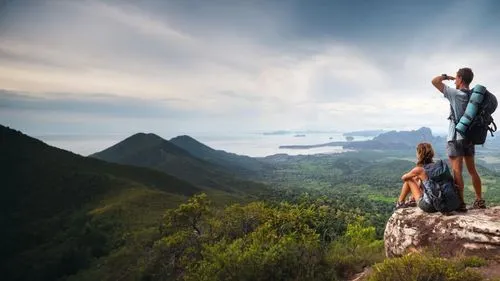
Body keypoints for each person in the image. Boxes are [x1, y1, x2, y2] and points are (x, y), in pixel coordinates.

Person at [431, 68, 485, 210]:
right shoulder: (473, 97)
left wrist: (446, 77)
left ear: (460, 79)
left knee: (457, 171)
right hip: (469, 137)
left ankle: (461, 203)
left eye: (456, 78)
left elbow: (434, 81)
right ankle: (479, 200)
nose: (454, 80)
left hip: (455, 138)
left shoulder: (455, 94)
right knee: (472, 170)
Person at [396, 143, 440, 212]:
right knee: (418, 179)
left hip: (429, 206)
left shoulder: (419, 169)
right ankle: (412, 200)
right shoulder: (436, 166)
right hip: (440, 204)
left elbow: (403, 178)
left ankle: (400, 203)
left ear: (420, 154)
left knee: (409, 180)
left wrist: (413, 175)